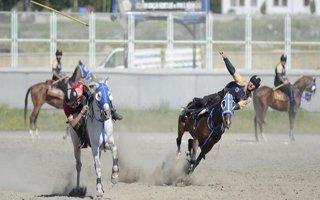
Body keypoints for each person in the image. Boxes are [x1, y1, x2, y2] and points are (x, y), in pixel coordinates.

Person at [184, 51, 261, 116]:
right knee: (203, 102)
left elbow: (239, 105)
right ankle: (188, 108)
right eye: (252, 81)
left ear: (255, 87)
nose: (251, 84)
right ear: (250, 80)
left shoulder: (249, 98)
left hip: (226, 107)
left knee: (226, 120)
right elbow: (233, 71)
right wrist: (225, 59)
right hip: (220, 96)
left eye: (254, 84)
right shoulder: (241, 82)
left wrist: (230, 107)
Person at [63, 80, 92, 148]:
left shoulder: (79, 89)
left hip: (82, 99)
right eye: (70, 105)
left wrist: (90, 91)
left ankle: (112, 112)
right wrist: (82, 112)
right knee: (76, 125)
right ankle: (82, 139)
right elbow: (73, 123)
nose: (72, 106)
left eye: (73, 104)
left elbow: (83, 82)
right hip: (75, 111)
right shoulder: (66, 107)